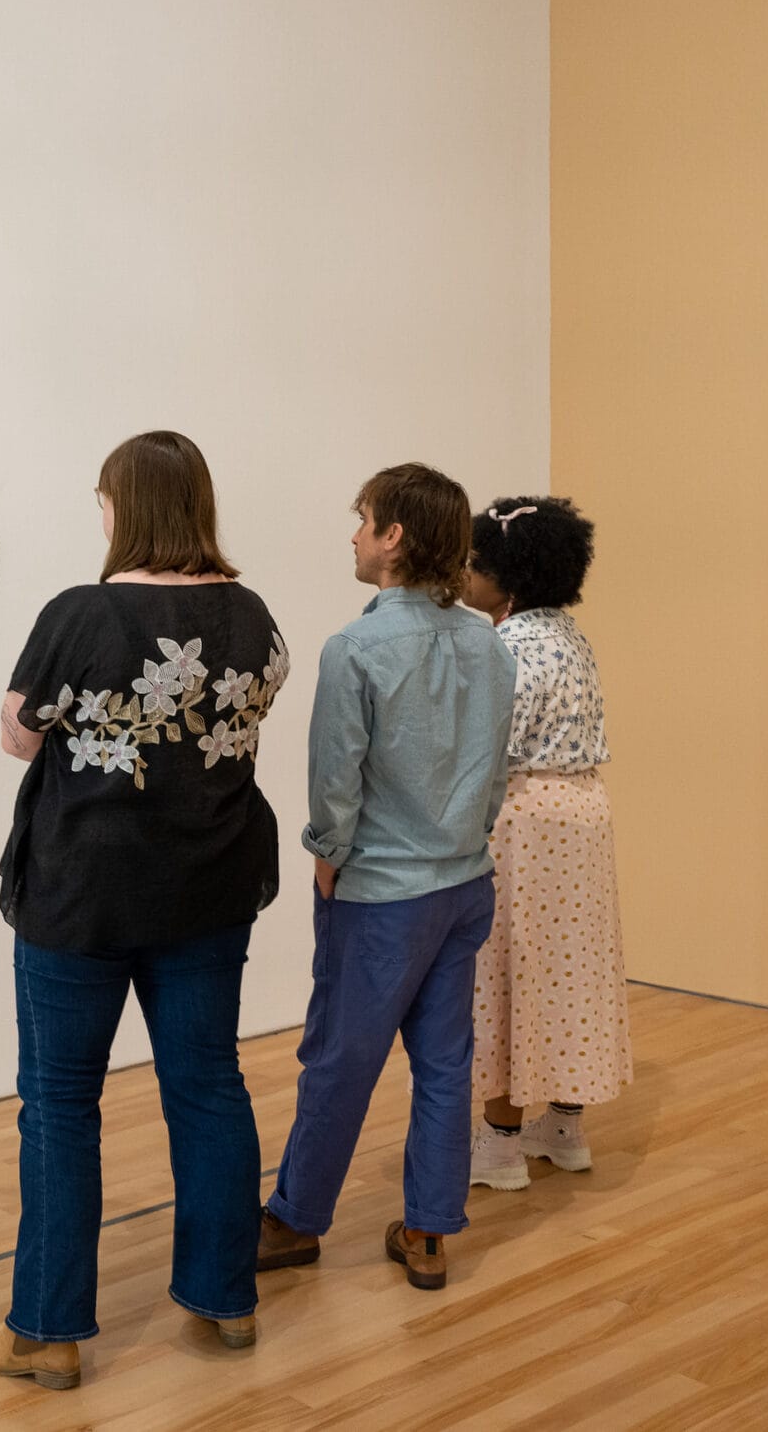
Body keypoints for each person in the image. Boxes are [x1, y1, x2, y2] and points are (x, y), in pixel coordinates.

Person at [0, 430, 290, 1391]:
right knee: (208, 1084)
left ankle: (48, 1333)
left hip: (82, 897)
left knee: (62, 1106)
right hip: (209, 890)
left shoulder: (83, 613)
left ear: (124, 507)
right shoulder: (253, 613)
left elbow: (21, 737)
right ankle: (227, 1302)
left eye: (103, 498)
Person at [257, 464, 515, 1292]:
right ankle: (429, 1233)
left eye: (363, 519)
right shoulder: (488, 641)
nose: (355, 534)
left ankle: (296, 1220)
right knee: (445, 1059)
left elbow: (336, 780)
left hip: (382, 893)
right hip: (466, 883)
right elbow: (495, 773)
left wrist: (327, 853)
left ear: (394, 536)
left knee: (340, 1056)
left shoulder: (356, 647)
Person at [461, 497, 631, 1190]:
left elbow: (487, 750)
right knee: (573, 966)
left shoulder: (506, 648)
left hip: (525, 819)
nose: (464, 575)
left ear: (513, 575)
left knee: (509, 969)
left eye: (476, 564)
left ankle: (500, 1145)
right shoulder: (571, 637)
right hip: (584, 813)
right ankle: (564, 1129)